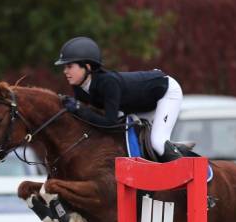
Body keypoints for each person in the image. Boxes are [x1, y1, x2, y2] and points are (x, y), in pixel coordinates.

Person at [55, 36, 186, 162]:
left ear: (87, 67)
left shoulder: (108, 83)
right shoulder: (79, 87)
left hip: (166, 92)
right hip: (140, 104)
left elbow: (109, 123)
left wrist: (79, 109)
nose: (65, 71)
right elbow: (87, 119)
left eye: (69, 66)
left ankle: (189, 173)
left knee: (157, 142)